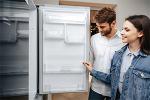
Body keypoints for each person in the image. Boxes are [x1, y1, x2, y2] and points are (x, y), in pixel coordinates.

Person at [84, 15, 150, 100]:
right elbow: (113, 78)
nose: (122, 32)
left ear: (140, 33)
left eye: (127, 30)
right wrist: (93, 71)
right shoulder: (118, 55)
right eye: (123, 29)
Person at [83, 7, 124, 100]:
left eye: (102, 27)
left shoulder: (124, 40)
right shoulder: (94, 39)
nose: (99, 30)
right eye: (97, 26)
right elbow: (91, 59)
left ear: (113, 23)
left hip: (115, 89)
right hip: (96, 87)